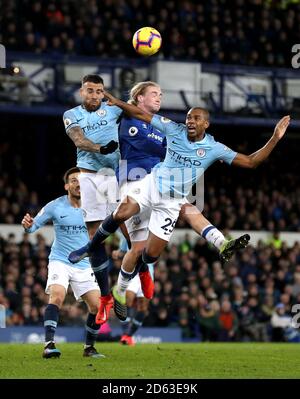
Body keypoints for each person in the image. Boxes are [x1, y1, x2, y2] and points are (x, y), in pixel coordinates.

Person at [69, 90, 289, 321]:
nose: (189, 122)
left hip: (171, 202)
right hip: (150, 185)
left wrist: (274, 137)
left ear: (206, 123)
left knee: (150, 256)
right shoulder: (174, 129)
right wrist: (118, 103)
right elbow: (140, 114)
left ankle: (126, 283)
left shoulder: (214, 148)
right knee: (122, 212)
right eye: (188, 117)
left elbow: (252, 162)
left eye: (195, 119)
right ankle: (97, 256)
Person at [21, 167, 104, 358]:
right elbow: (33, 227)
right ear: (67, 185)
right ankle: (49, 345)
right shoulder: (55, 206)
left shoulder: (95, 207)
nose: (78, 183)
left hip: (83, 264)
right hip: (60, 261)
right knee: (57, 296)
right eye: (73, 180)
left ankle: (89, 348)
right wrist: (28, 225)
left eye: (81, 180)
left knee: (97, 307)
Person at [63, 74, 122, 325]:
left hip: (118, 176)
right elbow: (78, 139)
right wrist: (100, 148)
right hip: (89, 177)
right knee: (95, 238)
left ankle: (126, 284)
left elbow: (138, 113)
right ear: (81, 91)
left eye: (99, 91)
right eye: (90, 90)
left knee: (131, 232)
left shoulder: (114, 109)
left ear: (104, 93)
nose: (94, 95)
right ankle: (106, 297)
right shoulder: (71, 114)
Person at [112, 233, 154, 346]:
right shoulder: (129, 234)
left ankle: (128, 336)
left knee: (143, 308)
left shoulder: (154, 233)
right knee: (126, 301)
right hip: (133, 274)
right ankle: (125, 333)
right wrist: (117, 254)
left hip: (148, 274)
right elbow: (123, 253)